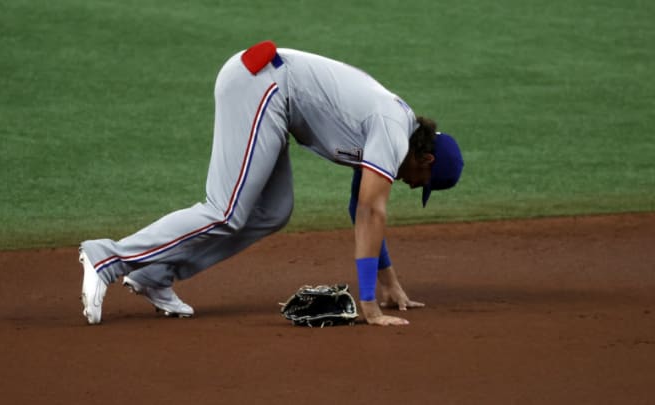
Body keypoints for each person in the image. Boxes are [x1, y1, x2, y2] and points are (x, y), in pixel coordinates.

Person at [79, 40, 464, 326]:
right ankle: (107, 257)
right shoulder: (392, 129)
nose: (414, 187)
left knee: (272, 211)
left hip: (274, 95)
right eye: (423, 182)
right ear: (425, 159)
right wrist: (369, 305)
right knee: (225, 209)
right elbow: (370, 209)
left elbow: (357, 205)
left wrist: (389, 282)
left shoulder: (395, 129)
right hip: (261, 84)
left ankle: (154, 274)